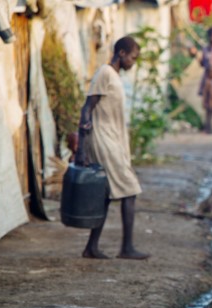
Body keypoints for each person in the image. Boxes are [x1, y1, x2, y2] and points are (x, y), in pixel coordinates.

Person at [76, 36, 150, 260]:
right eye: (132, 58)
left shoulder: (113, 76)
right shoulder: (105, 73)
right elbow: (86, 109)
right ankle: (126, 248)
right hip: (103, 140)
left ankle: (91, 247)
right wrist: (82, 149)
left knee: (105, 195)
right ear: (121, 53)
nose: (133, 63)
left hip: (114, 140)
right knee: (130, 189)